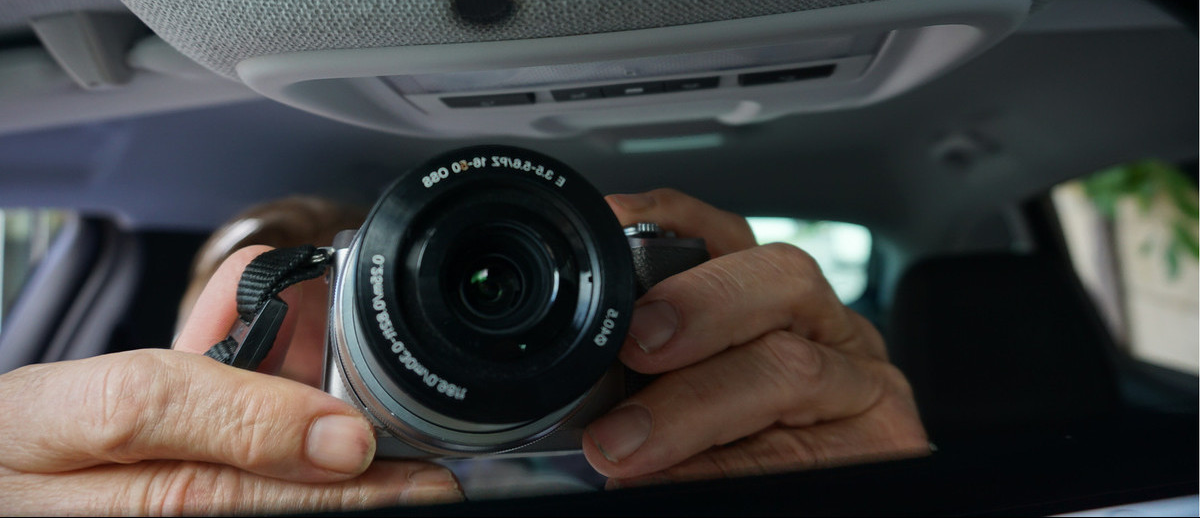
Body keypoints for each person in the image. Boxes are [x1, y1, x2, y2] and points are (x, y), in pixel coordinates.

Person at [0, 188, 930, 514]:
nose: (338, 379)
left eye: (395, 311)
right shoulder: (127, 495)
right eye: (262, 328)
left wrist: (880, 487)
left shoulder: (654, 460)